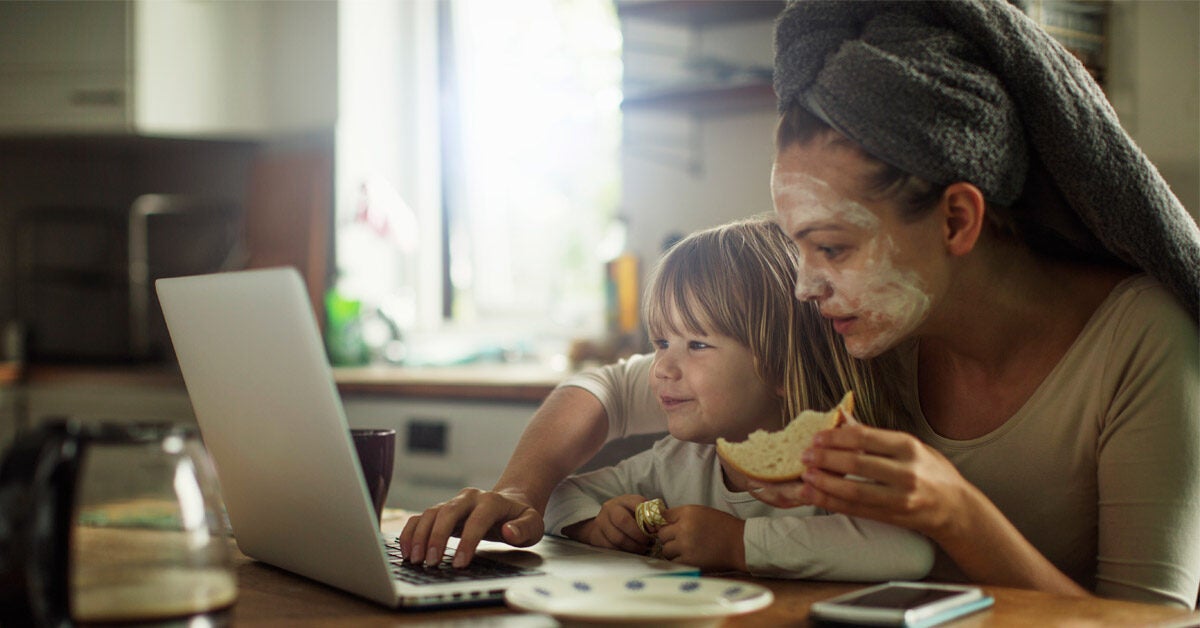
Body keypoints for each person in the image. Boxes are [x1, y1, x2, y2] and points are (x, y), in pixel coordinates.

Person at [401, 0, 1200, 608]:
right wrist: (523, 491)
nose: (803, 286)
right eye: (797, 248)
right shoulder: (853, 323)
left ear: (958, 219)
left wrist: (955, 513)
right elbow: (613, 389)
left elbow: (1148, 625)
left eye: (833, 247)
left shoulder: (1140, 344)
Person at [542, 216, 932, 579]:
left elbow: (908, 549)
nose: (661, 367)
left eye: (696, 344)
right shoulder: (676, 462)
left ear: (780, 366)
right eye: (661, 342)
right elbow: (560, 494)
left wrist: (738, 542)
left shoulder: (836, 458)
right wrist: (594, 525)